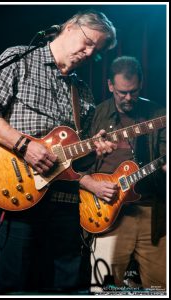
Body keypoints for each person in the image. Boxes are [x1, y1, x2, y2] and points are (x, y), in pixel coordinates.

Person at [0, 10, 117, 295]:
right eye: (87, 43)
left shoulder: (82, 90)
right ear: (70, 27)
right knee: (15, 284)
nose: (88, 53)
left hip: (65, 201)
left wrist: (95, 147)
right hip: (19, 193)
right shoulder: (20, 58)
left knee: (67, 285)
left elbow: (77, 157)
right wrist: (24, 146)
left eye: (94, 51)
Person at [80, 56, 166, 294]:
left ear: (141, 84)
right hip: (107, 213)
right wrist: (92, 186)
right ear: (110, 86)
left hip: (152, 213)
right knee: (105, 288)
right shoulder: (96, 115)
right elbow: (75, 166)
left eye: (134, 91)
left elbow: (164, 154)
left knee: (159, 287)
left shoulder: (159, 114)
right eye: (122, 92)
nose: (129, 98)